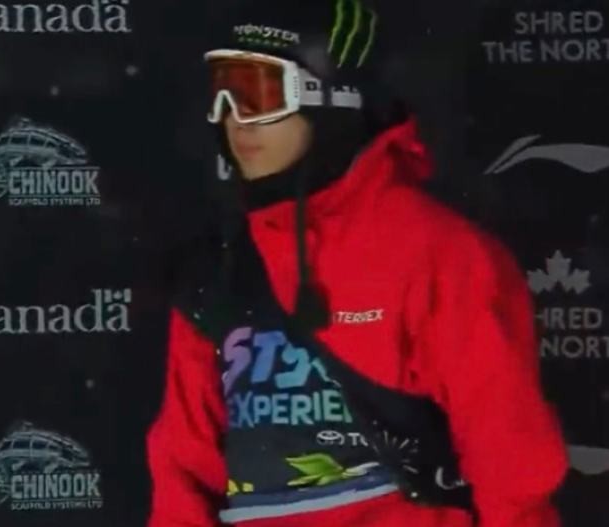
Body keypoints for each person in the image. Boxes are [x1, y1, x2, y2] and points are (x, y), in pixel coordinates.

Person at [146, 1, 569, 526]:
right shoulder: (218, 269)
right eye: (223, 91)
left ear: (332, 98)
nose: (236, 118)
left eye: (259, 92)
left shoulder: (438, 254)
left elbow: (510, 457)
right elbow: (183, 466)